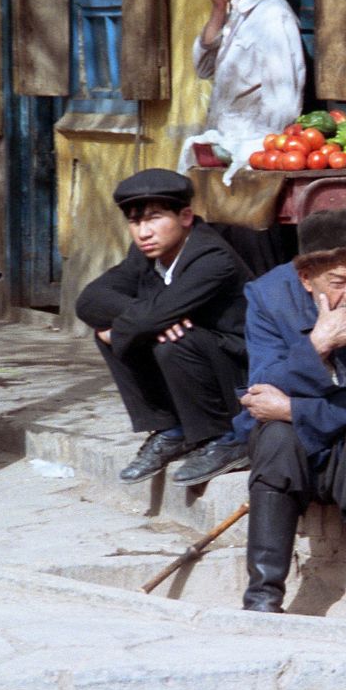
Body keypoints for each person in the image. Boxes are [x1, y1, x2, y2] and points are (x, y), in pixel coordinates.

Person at [238, 209, 346, 623]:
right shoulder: (267, 297)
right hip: (296, 441)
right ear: (306, 279)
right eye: (338, 283)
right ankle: (262, 599)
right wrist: (315, 345)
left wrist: (296, 409)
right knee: (277, 438)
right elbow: (261, 387)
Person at [76, 168, 253, 488]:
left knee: (171, 338)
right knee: (131, 329)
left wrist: (134, 325)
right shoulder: (145, 254)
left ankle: (231, 439)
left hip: (242, 370)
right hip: (204, 357)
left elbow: (147, 319)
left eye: (154, 218)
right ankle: (174, 430)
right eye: (135, 221)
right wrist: (145, 319)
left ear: (185, 216)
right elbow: (89, 300)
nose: (143, 232)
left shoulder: (212, 257)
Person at [193, 0, 305, 141]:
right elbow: (204, 69)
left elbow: (283, 103)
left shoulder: (273, 15)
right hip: (224, 142)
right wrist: (219, 10)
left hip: (250, 148)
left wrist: (260, 150)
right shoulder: (237, 11)